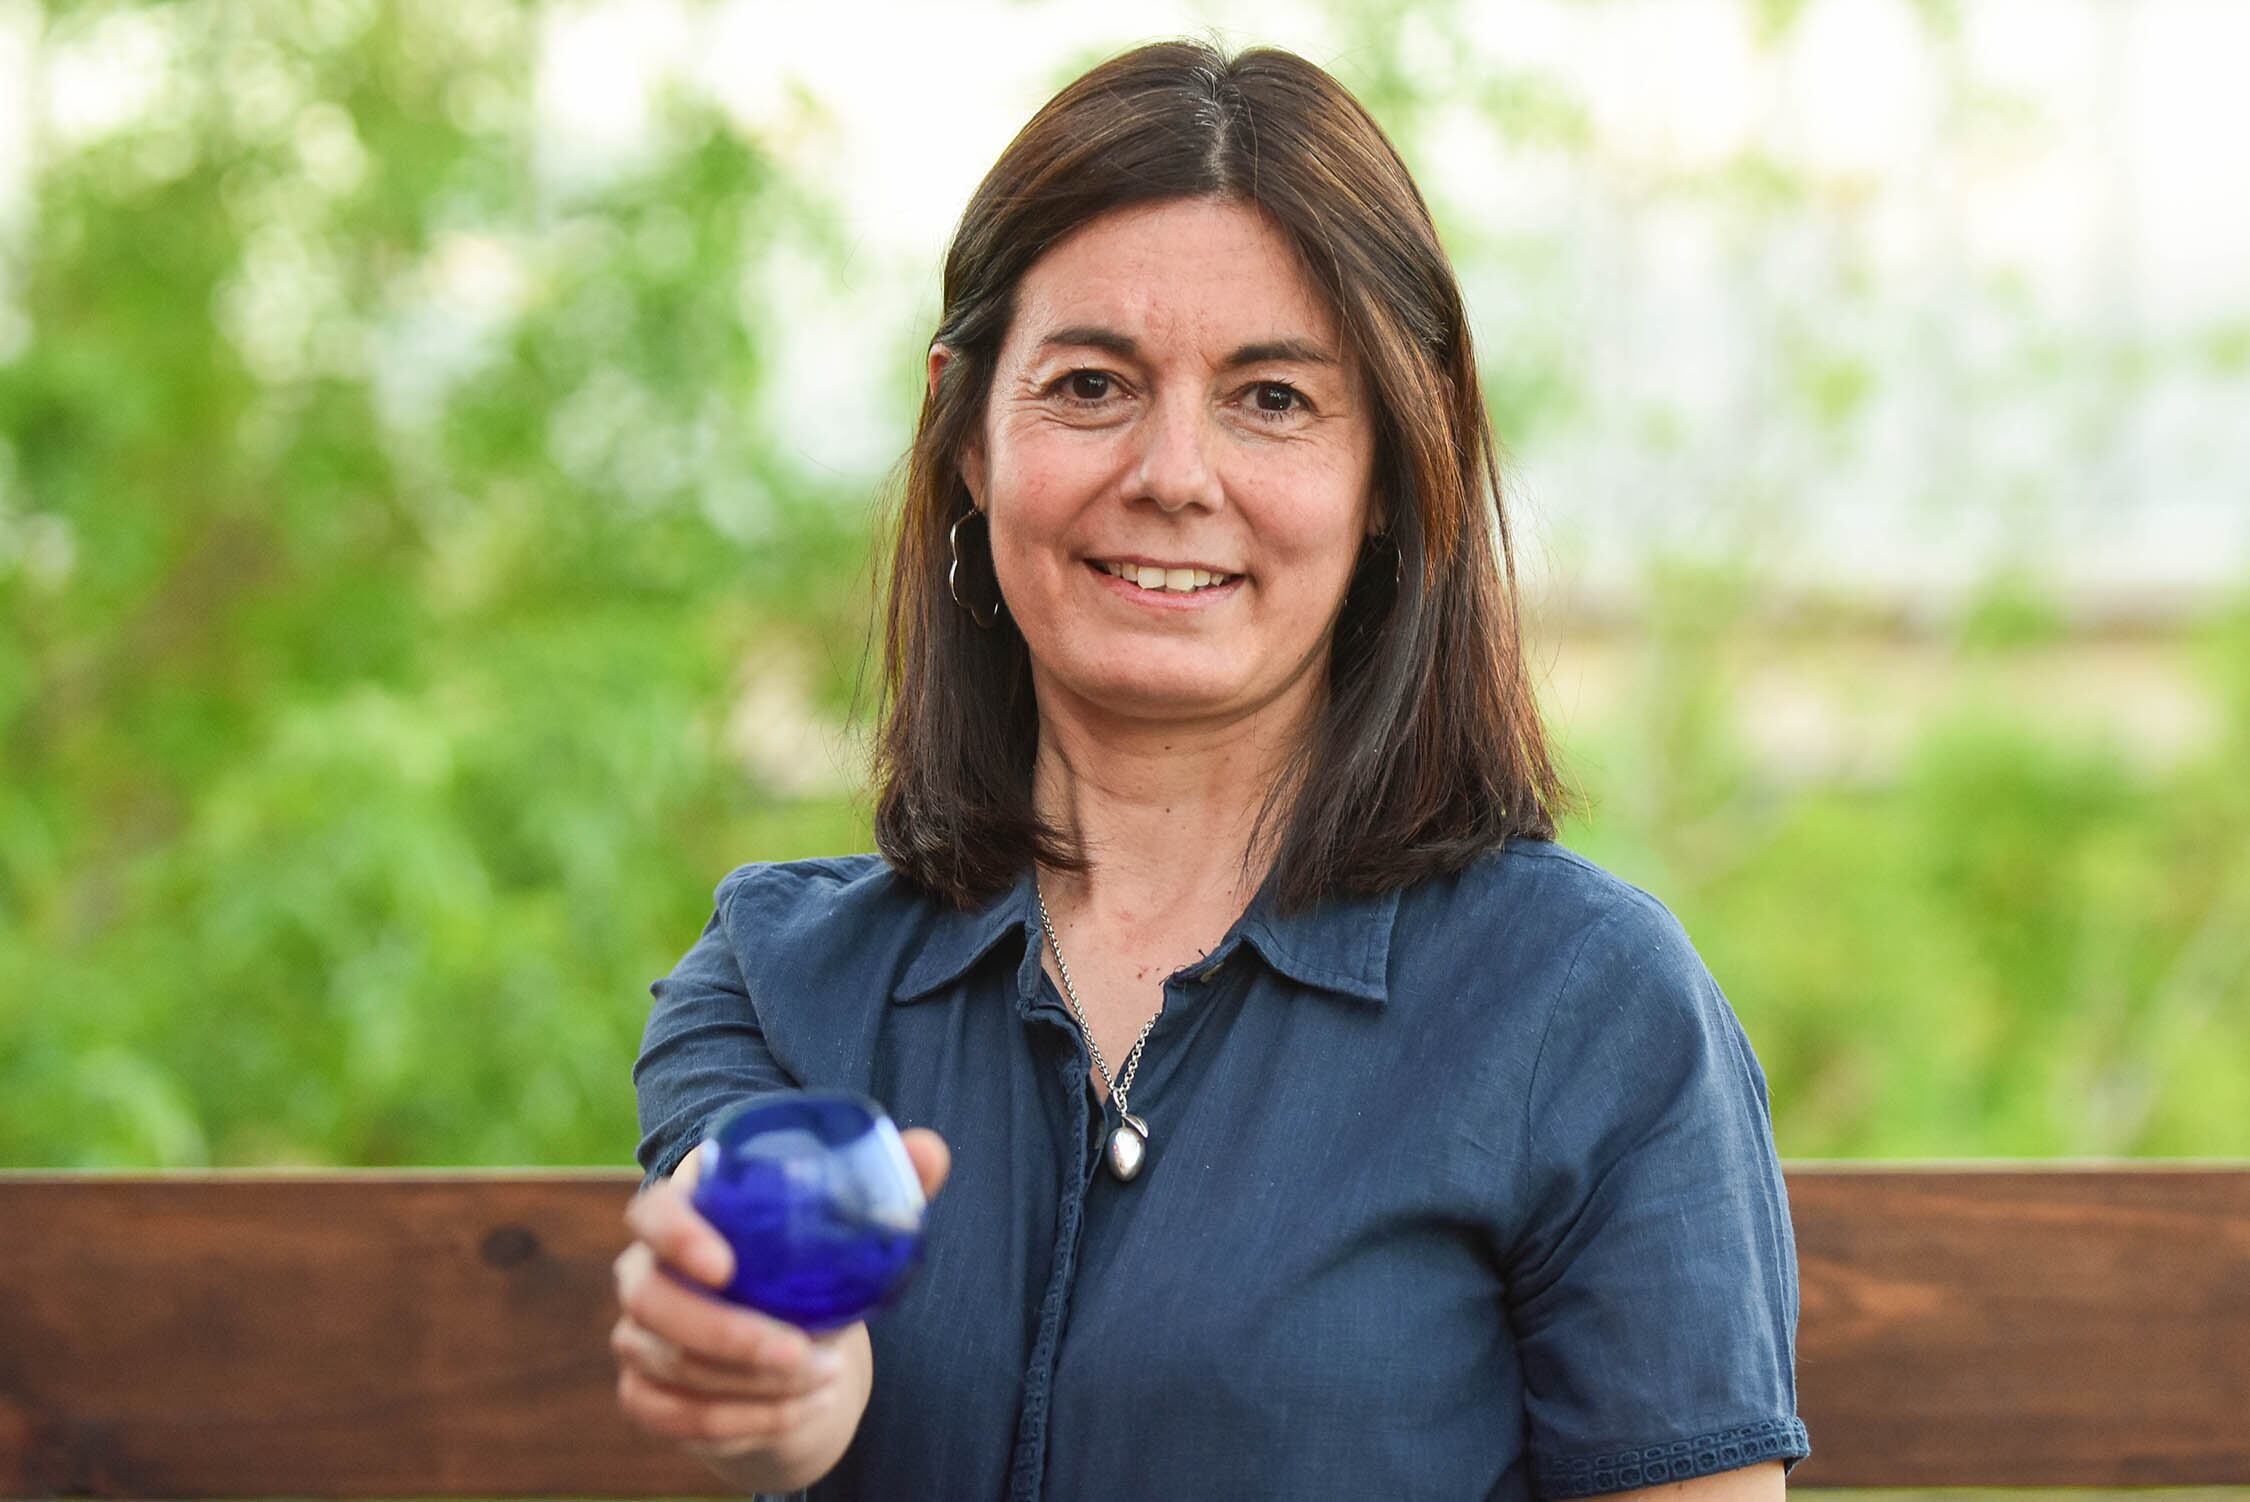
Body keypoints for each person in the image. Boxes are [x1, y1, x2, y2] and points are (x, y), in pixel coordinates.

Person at [612, 38, 1809, 1501]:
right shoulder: (777, 976)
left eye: (1272, 400)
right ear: (969, 432)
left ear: (1393, 468)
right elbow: (746, 1285)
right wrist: (770, 1373)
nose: (1173, 473)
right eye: (1092, 383)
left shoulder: (1588, 1006)